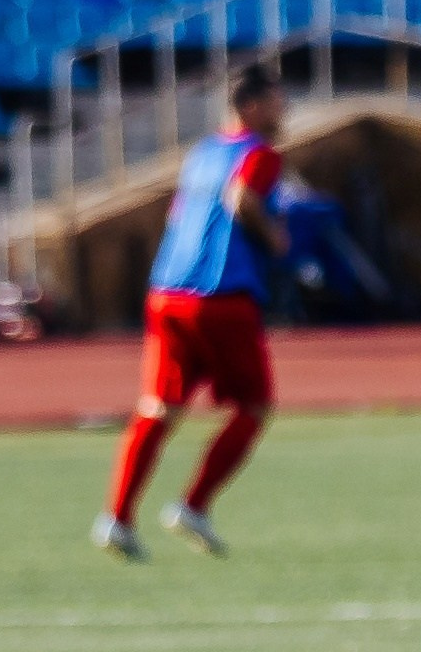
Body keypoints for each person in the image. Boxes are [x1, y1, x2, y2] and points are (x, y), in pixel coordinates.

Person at [93, 63, 292, 563]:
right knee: (253, 406)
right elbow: (242, 195)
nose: (283, 109)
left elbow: (178, 214)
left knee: (159, 407)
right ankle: (192, 506)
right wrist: (273, 237)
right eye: (275, 100)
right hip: (220, 294)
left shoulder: (203, 152)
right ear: (250, 106)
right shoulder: (260, 154)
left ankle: (115, 518)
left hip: (167, 292)